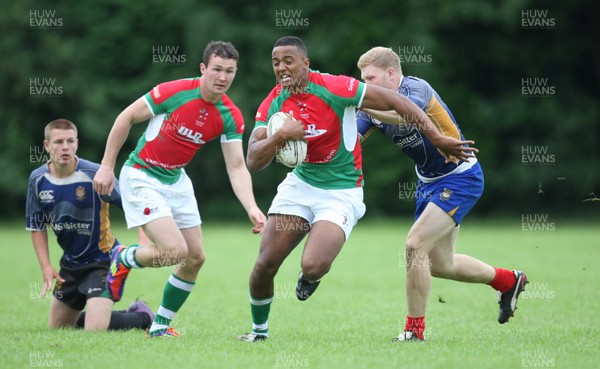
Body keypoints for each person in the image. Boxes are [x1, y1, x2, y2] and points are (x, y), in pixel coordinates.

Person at [237, 36, 478, 342]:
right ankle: (259, 332)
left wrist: (438, 137)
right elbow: (253, 159)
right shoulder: (274, 101)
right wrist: (279, 136)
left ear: (305, 64)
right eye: (276, 62)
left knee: (313, 264)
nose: (282, 68)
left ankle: (310, 277)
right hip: (300, 185)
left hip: (342, 191)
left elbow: (397, 102)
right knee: (264, 264)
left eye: (289, 61)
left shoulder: (337, 87)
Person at [92, 41, 266, 337]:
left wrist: (251, 206)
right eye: (217, 70)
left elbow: (236, 166)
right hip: (142, 176)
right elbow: (126, 117)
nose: (222, 77)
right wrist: (107, 166)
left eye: (230, 71)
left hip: (177, 181)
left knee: (195, 257)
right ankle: (124, 257)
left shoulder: (230, 115)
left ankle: (159, 326)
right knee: (175, 250)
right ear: (203, 69)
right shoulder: (173, 91)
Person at [355, 47, 528, 342]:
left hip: (461, 177)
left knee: (414, 246)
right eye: (362, 80)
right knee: (440, 265)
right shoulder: (374, 107)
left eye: (370, 78)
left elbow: (405, 113)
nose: (365, 85)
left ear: (391, 73)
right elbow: (352, 139)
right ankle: (508, 281)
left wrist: (356, 101)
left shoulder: (415, 87)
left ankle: (414, 331)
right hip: (427, 183)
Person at [26, 119, 153, 331]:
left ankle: (143, 317)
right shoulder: (37, 179)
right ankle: (100, 313)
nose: (65, 147)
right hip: (69, 264)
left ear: (77, 143)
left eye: (70, 141)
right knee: (58, 329)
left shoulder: (96, 174)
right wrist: (46, 267)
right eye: (58, 142)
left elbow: (133, 205)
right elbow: (37, 225)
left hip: (103, 260)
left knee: (95, 331)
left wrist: (144, 239)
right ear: (46, 146)